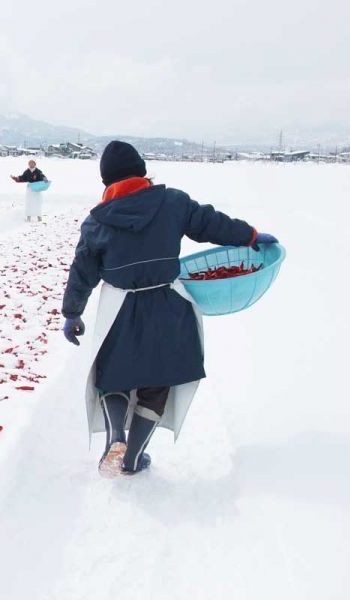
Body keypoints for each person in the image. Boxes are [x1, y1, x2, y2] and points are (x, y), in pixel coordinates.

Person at [60, 141, 277, 477]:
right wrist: (250, 235)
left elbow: (82, 272)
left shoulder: (95, 223)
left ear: (107, 181)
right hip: (167, 305)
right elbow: (212, 224)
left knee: (112, 376)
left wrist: (72, 312)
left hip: (119, 308)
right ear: (142, 171)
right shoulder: (172, 202)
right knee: (157, 381)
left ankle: (116, 435)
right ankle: (133, 456)